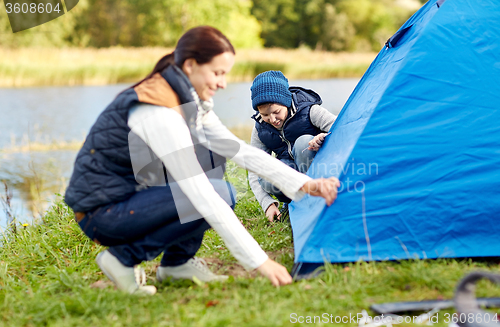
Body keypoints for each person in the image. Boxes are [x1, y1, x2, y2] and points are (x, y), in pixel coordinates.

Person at [65, 26, 340, 295]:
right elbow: (200, 195)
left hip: (133, 195)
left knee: (213, 159)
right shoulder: (158, 109)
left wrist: (305, 184)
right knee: (218, 193)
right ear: (191, 66)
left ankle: (176, 265)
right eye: (218, 73)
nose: (223, 83)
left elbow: (239, 150)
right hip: (102, 213)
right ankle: (123, 258)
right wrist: (260, 262)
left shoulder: (188, 99)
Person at [248, 71, 338, 222]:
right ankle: (292, 202)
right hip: (290, 176)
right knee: (265, 174)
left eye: (276, 112)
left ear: (286, 101)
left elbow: (342, 129)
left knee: (303, 142)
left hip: (316, 167)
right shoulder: (260, 128)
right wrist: (267, 204)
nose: (272, 119)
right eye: (265, 115)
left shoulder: (310, 110)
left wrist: (324, 137)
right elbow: (254, 170)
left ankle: (318, 198)